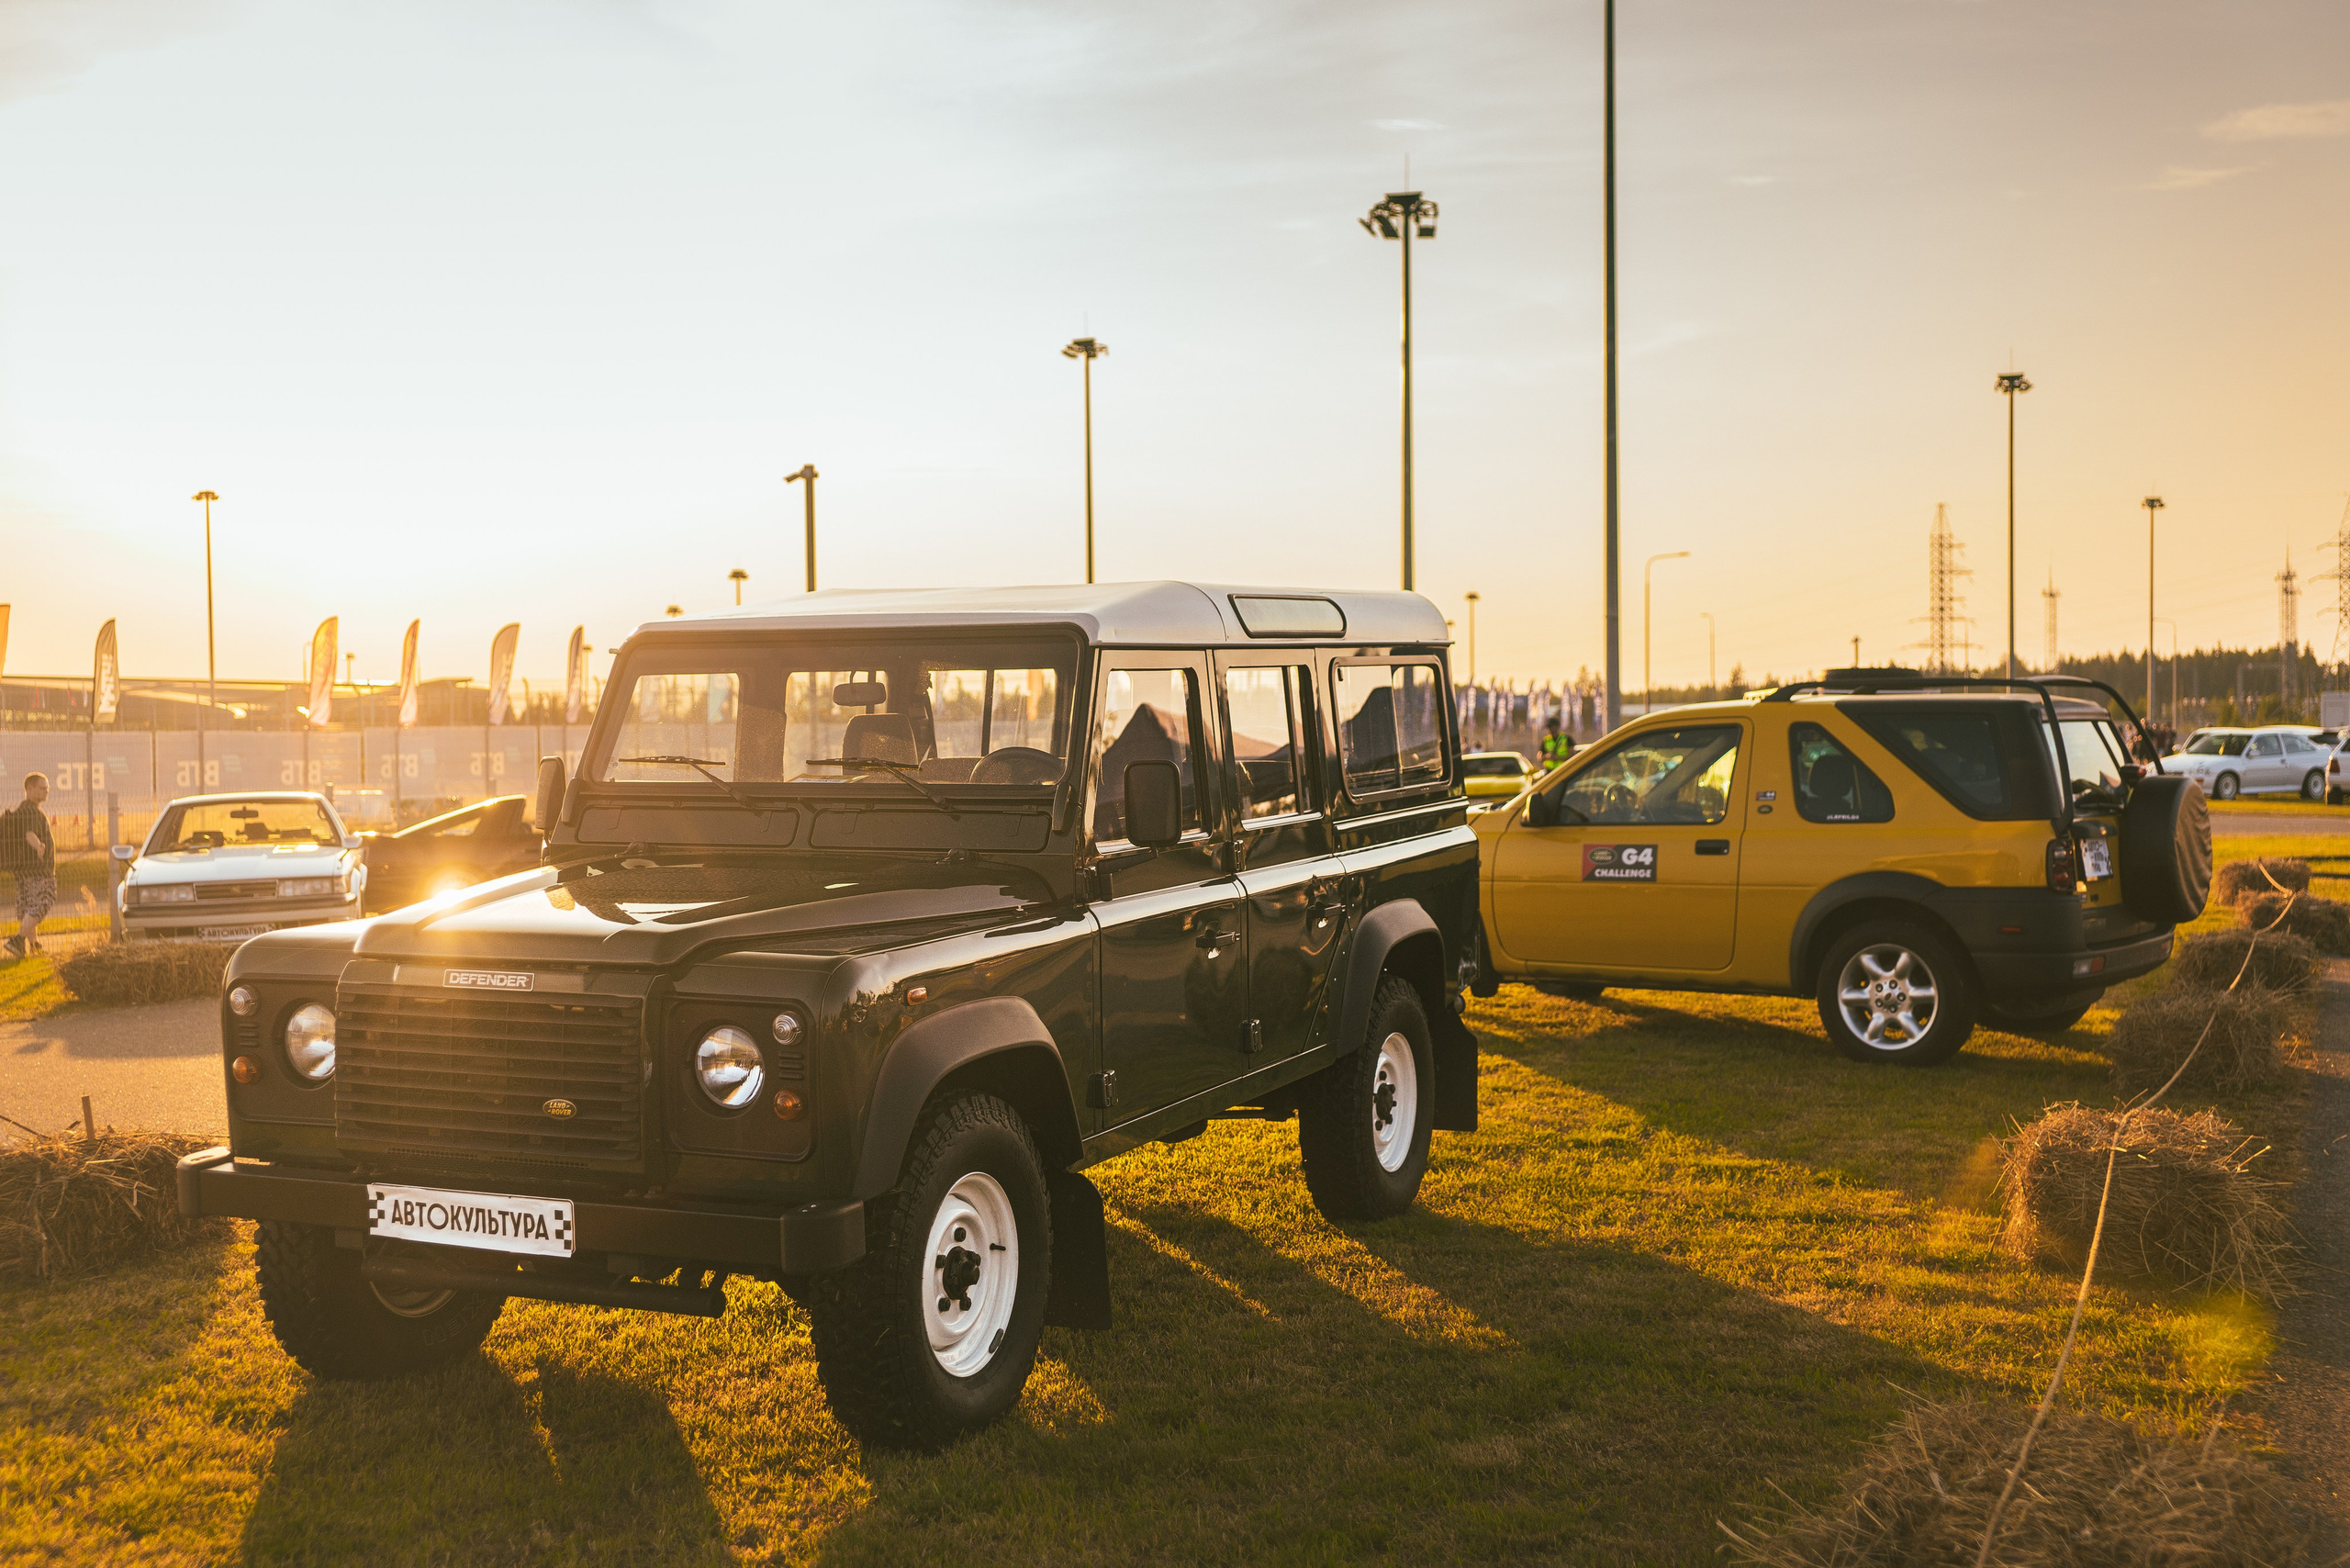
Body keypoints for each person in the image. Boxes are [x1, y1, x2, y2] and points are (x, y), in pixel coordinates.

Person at [4, 772, 54, 961]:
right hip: (37, 870)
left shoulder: (23, 809)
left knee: (29, 907)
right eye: (42, 787)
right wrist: (39, 846)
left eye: (47, 787)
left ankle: (34, 946)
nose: (46, 790)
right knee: (44, 901)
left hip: (25, 871)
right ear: (30, 788)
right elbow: (29, 833)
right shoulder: (30, 810)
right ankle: (17, 940)